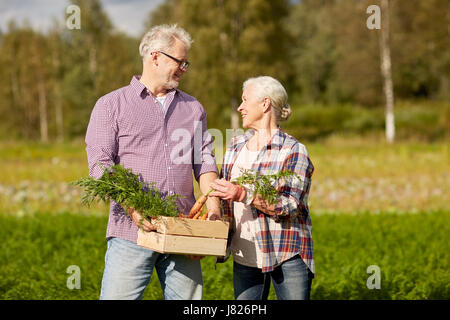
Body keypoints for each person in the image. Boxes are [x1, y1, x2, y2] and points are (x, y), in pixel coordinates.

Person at [85, 24, 220, 300]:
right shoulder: (111, 105)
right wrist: (135, 210)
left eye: (186, 63)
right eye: (179, 62)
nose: (184, 68)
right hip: (130, 231)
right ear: (155, 56)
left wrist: (214, 210)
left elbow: (204, 162)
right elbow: (100, 166)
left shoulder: (193, 108)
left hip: (184, 231)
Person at [209, 76, 315, 300]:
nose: (240, 107)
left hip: (285, 255)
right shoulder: (236, 146)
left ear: (265, 104)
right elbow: (222, 197)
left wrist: (243, 194)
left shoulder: (293, 150)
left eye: (245, 100)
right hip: (244, 257)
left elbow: (290, 206)